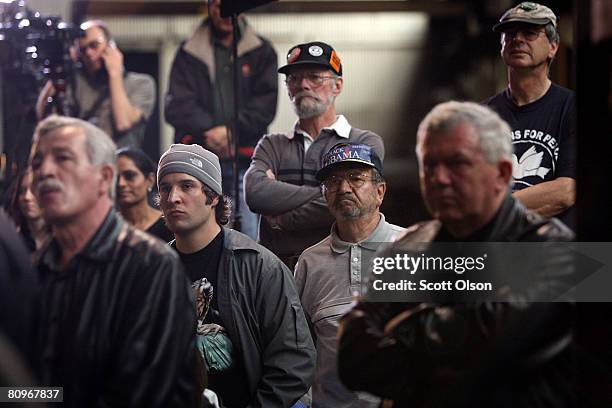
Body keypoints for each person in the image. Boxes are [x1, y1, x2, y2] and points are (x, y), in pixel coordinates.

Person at [337, 101, 575, 407]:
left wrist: (400, 329)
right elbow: (353, 359)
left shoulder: (560, 252)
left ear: (502, 174)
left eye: (457, 163)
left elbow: (491, 348)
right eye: (429, 164)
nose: (439, 178)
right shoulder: (406, 246)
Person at [30, 115, 197, 407]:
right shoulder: (36, 268)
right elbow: (18, 389)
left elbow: (140, 396)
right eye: (36, 163)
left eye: (63, 158)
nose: (44, 171)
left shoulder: (152, 266)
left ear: (105, 178)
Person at [157, 143, 316, 408]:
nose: (173, 197)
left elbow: (293, 361)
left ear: (213, 196)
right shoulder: (153, 271)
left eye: (186, 186)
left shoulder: (259, 267)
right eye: (165, 188)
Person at [244, 41, 384, 268]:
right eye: (294, 79)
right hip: (275, 271)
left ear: (337, 86)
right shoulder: (272, 144)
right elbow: (255, 193)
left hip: (338, 268)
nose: (304, 85)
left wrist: (282, 218)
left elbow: (354, 205)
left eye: (315, 77)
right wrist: (325, 192)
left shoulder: (363, 142)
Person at [294, 142, 404, 408]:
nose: (343, 188)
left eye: (355, 178)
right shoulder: (310, 262)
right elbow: (297, 347)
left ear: (380, 192)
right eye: (333, 181)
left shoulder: (415, 247)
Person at [165, 0, 278, 240]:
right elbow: (176, 105)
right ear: (208, 6)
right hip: (197, 163)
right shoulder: (187, 53)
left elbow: (265, 105)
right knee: (197, 235)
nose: (224, 9)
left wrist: (230, 132)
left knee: (248, 235)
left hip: (245, 161)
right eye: (217, 3)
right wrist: (210, 132)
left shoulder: (262, 52)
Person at [483, 2, 576, 229]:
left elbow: (566, 191)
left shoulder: (572, 107)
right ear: (502, 46)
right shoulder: (482, 117)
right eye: (510, 33)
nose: (518, 39)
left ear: (553, 47)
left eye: (530, 33)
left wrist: (491, 210)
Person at [36, 20, 155, 148]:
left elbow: (123, 123)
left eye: (94, 45)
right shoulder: (74, 83)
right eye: (83, 49)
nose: (89, 53)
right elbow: (44, 118)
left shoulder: (141, 83)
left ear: (111, 46)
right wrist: (60, 70)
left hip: (118, 159)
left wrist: (115, 73)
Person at [116, 146, 173, 242]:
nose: (120, 184)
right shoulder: (105, 228)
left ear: (150, 180)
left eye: (129, 176)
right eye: (115, 177)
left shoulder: (170, 225)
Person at [8, 168, 50, 252]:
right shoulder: (11, 240)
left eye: (34, 189)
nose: (27, 196)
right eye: (22, 191)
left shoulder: (62, 240)